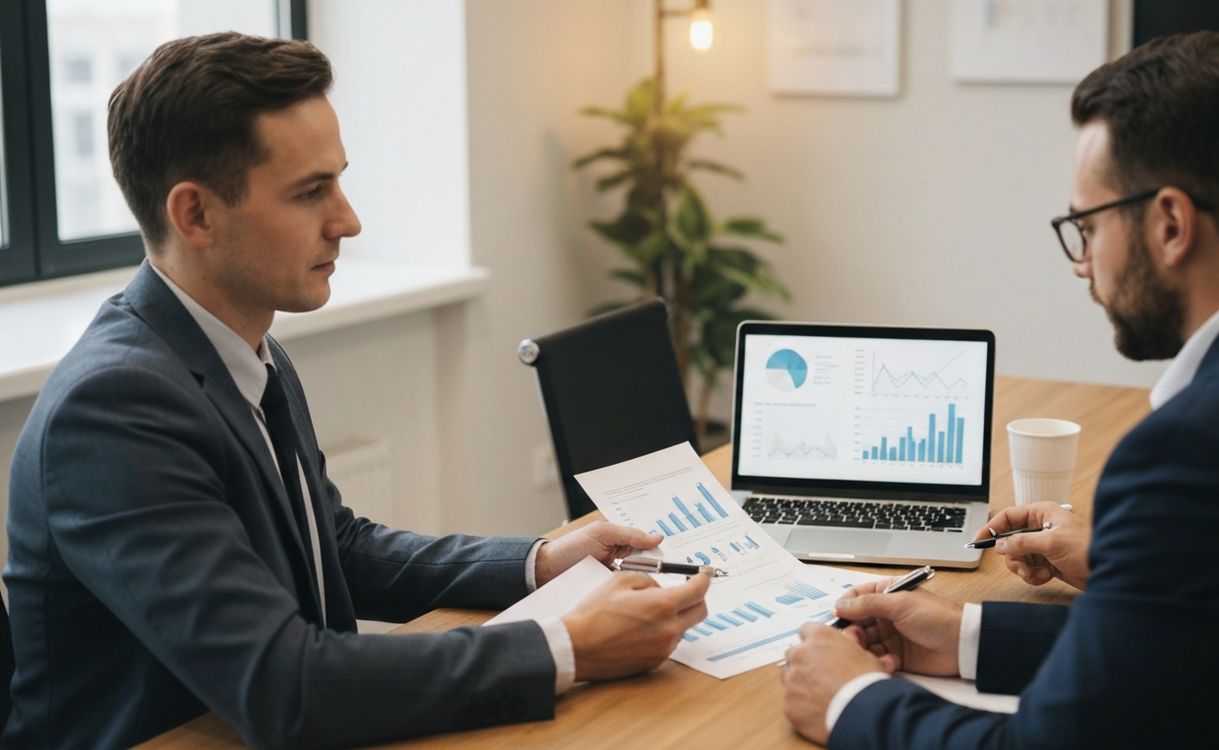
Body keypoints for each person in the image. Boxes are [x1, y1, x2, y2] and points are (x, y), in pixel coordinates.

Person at [4, 33, 710, 749]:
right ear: (196, 216)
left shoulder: (242, 347)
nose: (348, 220)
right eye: (311, 192)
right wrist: (567, 645)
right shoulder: (115, 410)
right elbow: (285, 685)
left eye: (337, 181)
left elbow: (332, 549)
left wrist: (536, 563)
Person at [780, 31, 1219, 748]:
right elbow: (1195, 646)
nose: (1081, 264)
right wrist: (967, 632)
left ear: (1170, 224)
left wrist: (850, 699)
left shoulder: (1197, 451)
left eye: (1085, 227)